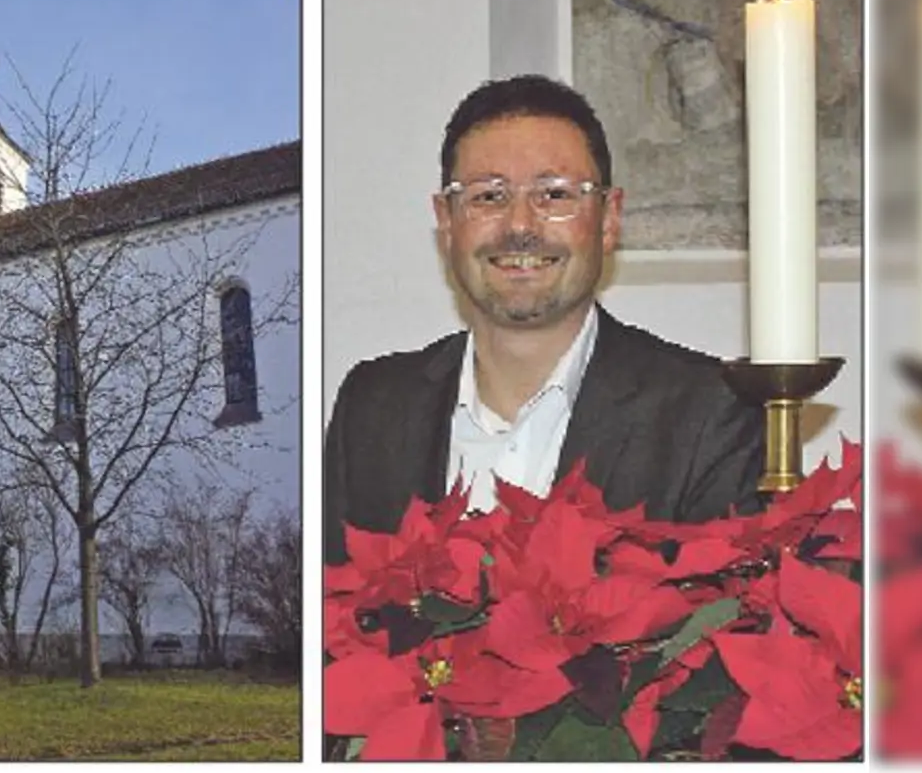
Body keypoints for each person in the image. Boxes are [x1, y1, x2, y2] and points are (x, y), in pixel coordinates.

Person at [324, 74, 764, 564]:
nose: (519, 225)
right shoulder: (372, 408)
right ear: (447, 223)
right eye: (488, 196)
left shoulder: (706, 414)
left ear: (609, 219)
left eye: (554, 195)